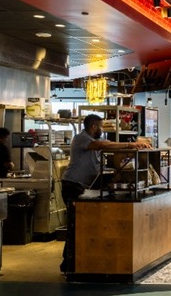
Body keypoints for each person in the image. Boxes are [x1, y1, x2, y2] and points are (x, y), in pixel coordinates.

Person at [60, 114, 151, 274]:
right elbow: (101, 145)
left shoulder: (95, 141)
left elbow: (108, 146)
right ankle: (69, 264)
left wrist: (133, 148)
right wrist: (131, 146)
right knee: (75, 224)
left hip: (84, 186)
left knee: (81, 224)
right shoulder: (81, 139)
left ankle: (79, 262)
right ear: (94, 127)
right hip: (72, 185)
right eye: (101, 126)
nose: (102, 130)